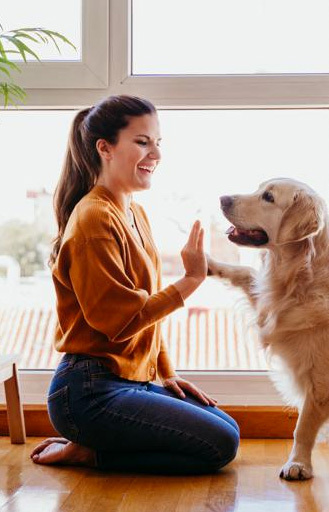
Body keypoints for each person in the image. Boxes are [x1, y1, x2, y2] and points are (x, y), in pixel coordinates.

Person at [30, 95, 240, 474]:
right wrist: (192, 280)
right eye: (143, 142)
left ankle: (95, 446)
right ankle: (89, 452)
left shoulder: (133, 211)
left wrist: (166, 372)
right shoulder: (93, 219)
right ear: (105, 148)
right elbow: (120, 322)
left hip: (129, 379)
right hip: (87, 391)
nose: (155, 154)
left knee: (228, 428)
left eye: (158, 142)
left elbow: (146, 316)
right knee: (220, 445)